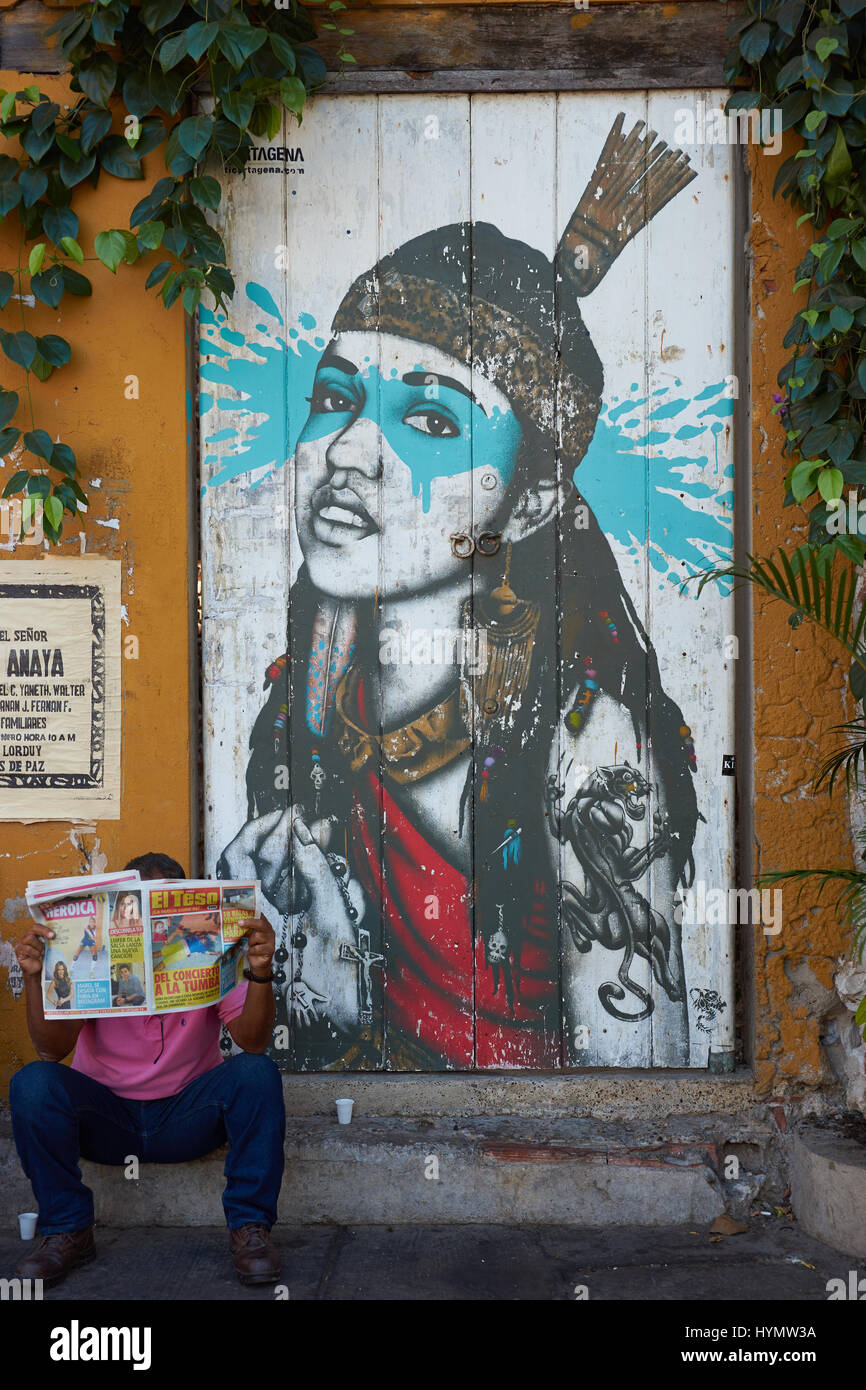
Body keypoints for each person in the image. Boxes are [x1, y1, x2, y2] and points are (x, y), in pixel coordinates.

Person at [219, 115, 703, 1071]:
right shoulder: (303, 707)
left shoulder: (588, 747)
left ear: (527, 509)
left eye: (432, 420)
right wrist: (303, 960)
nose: (349, 452)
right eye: (337, 396)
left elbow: (632, 1075)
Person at [10, 851, 284, 1289]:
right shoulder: (91, 952)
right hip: (106, 1120)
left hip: (186, 1116)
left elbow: (252, 1042)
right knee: (32, 1084)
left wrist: (261, 972)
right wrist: (35, 978)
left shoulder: (205, 946)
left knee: (257, 1074)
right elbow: (50, 1050)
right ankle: (67, 1229)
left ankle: (250, 1230)